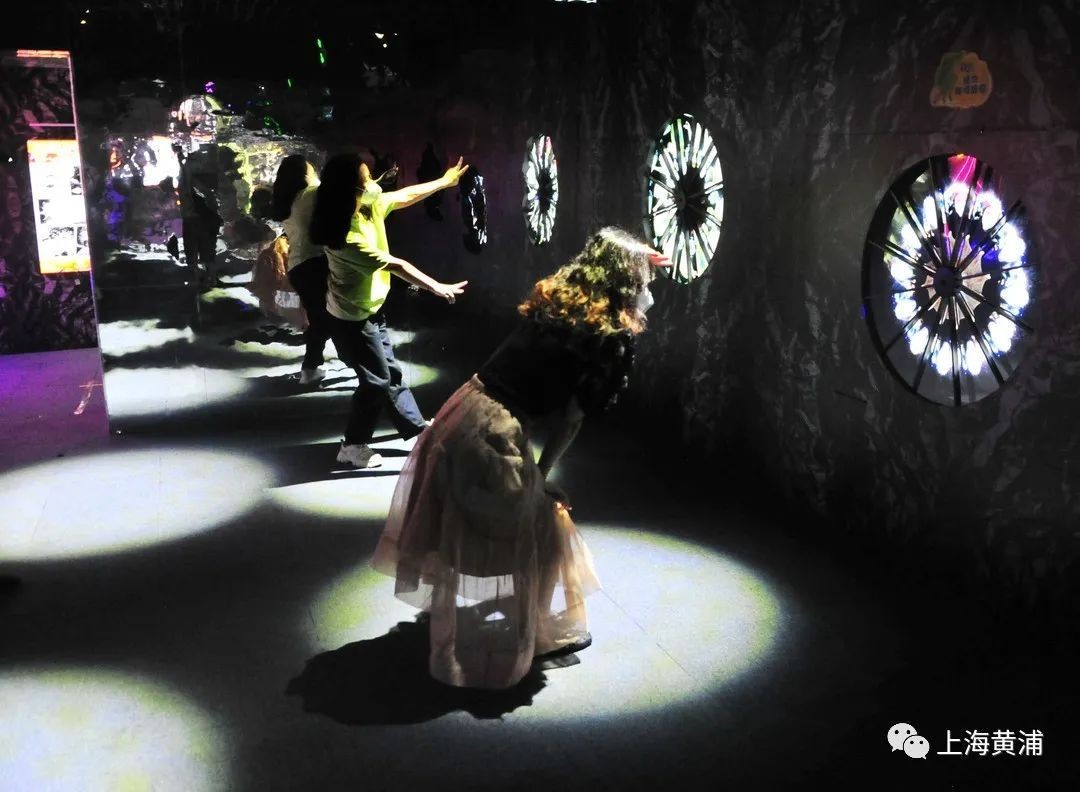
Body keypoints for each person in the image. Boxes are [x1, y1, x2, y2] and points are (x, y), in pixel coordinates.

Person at [372, 227, 670, 689]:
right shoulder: (608, 334)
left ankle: (514, 621)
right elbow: (572, 419)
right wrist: (540, 475)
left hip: (464, 408)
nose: (647, 290)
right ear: (627, 282)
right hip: (492, 431)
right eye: (642, 280)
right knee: (545, 526)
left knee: (473, 517)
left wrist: (629, 254)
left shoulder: (562, 303)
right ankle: (532, 632)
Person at [309, 152, 469, 468]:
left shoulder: (367, 209)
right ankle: (352, 445)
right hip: (351, 319)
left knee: (390, 373)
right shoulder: (344, 237)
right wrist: (436, 286)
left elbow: (405, 196)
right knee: (376, 382)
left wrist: (444, 181)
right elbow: (395, 264)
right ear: (350, 190)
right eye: (367, 178)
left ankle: (416, 429)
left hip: (371, 309)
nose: (374, 183)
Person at [271, 155, 330, 384]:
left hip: (299, 266)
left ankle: (311, 368)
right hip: (315, 262)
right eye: (311, 168)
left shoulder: (289, 201)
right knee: (328, 318)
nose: (315, 171)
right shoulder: (311, 194)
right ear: (304, 173)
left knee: (319, 318)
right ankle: (313, 368)